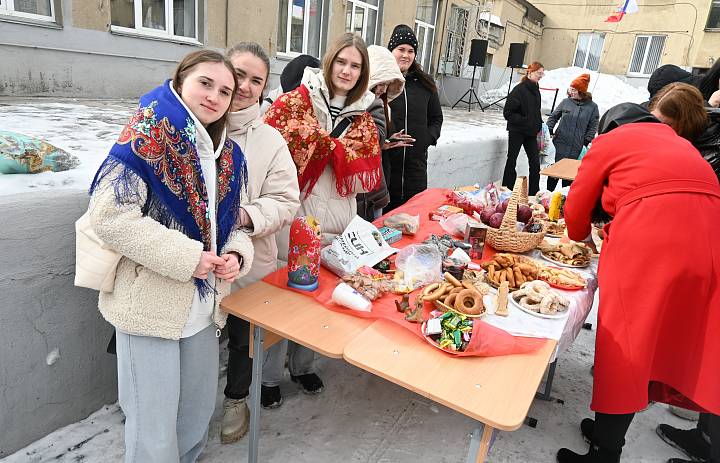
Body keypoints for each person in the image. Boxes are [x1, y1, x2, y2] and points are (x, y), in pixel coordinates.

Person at [87, 50, 254, 462]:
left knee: (195, 418)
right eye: (205, 83)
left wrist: (235, 253)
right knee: (153, 429)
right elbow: (109, 215)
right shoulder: (148, 135)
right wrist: (189, 257)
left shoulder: (227, 155)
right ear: (181, 81)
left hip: (203, 309)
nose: (214, 97)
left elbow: (232, 223)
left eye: (226, 92)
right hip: (149, 307)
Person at [556, 101, 720, 463]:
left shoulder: (612, 140)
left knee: (626, 348)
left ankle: (604, 453)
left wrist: (580, 235)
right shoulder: (679, 143)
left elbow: (577, 205)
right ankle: (607, 433)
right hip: (710, 245)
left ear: (609, 127)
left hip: (651, 245)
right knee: (697, 347)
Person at [263, 32, 382, 399]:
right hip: (293, 213)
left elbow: (366, 180)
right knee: (283, 296)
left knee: (320, 297)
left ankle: (303, 366)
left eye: (355, 65)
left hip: (337, 217)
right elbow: (269, 147)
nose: (347, 71)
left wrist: (335, 152)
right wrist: (325, 147)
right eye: (342, 62)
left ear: (362, 73)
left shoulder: (364, 116)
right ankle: (268, 377)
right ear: (329, 63)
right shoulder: (295, 103)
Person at [220, 42, 301, 444]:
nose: (245, 86)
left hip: (250, 258)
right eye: (239, 74)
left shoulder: (271, 140)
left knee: (242, 337)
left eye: (256, 80)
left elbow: (286, 200)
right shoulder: (189, 124)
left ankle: (237, 398)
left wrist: (244, 216)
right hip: (193, 259)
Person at [384, 24, 443, 211]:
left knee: (412, 222)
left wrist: (427, 139)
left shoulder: (425, 83)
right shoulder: (381, 82)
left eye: (411, 51)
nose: (405, 55)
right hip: (387, 170)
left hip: (415, 170)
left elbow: (436, 118)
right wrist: (384, 140)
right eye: (400, 49)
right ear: (391, 51)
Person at [356, 44, 405, 221]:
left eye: (386, 85)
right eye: (379, 83)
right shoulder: (358, 103)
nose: (382, 89)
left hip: (374, 189)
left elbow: (373, 138)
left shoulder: (379, 105)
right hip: (358, 189)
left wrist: (385, 142)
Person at [545, 73, 599, 190]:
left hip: (577, 147)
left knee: (569, 180)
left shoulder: (592, 107)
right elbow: (553, 117)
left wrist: (586, 141)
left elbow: (593, 126)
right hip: (559, 144)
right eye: (571, 89)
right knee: (553, 176)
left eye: (574, 90)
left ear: (581, 91)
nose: (571, 92)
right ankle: (547, 199)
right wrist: (549, 130)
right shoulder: (565, 102)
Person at [502, 61, 544, 195]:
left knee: (535, 163)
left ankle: (533, 193)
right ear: (530, 72)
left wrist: (539, 124)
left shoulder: (536, 90)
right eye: (539, 73)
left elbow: (535, 111)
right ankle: (507, 189)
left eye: (542, 73)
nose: (541, 76)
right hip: (517, 131)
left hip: (531, 133)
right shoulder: (519, 90)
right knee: (511, 159)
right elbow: (507, 113)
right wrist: (524, 120)